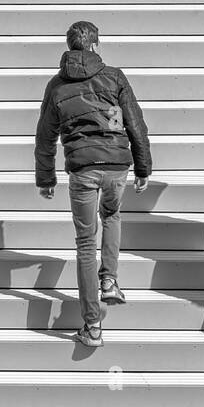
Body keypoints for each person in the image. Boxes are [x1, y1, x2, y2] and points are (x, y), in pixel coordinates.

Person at [34, 20, 152, 348]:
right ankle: (110, 281)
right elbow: (135, 124)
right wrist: (143, 167)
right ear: (95, 45)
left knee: (86, 242)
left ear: (70, 47)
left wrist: (45, 178)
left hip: (83, 170)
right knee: (112, 217)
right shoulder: (114, 76)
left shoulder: (57, 86)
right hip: (116, 166)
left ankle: (92, 326)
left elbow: (45, 137)